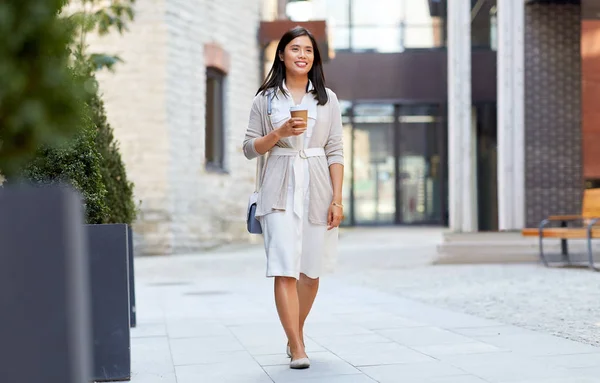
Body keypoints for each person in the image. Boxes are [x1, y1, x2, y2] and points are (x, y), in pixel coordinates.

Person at [242, 26, 344, 370]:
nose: (302, 55)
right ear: (282, 54)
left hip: (317, 187)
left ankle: (293, 333)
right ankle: (298, 347)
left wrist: (338, 199)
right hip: (278, 187)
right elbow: (248, 149)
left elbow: (335, 150)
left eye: (308, 51)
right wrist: (279, 133)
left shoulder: (327, 99)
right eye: (295, 49)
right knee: (285, 268)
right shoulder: (265, 99)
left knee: (310, 273)